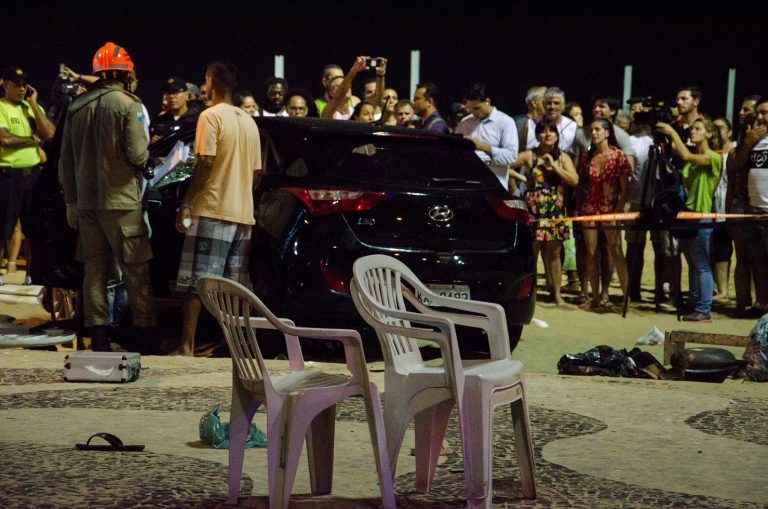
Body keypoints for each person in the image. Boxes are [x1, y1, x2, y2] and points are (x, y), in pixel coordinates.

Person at [58, 42, 155, 351]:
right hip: (122, 202)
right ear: (123, 73)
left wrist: (71, 201)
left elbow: (65, 161)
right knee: (136, 270)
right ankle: (143, 334)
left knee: (94, 272)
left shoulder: (77, 107)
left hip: (86, 204)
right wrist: (149, 160)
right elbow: (137, 154)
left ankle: (98, 337)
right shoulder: (130, 105)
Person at [173, 61, 261, 356]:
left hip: (212, 209)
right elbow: (257, 173)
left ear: (212, 81)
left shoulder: (210, 116)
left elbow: (205, 163)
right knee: (232, 287)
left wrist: (187, 203)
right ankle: (234, 347)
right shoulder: (249, 121)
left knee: (196, 281)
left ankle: (186, 345)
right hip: (243, 215)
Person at [656, 118, 722, 322]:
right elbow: (681, 158)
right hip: (687, 214)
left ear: (709, 134)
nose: (693, 132)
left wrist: (672, 133)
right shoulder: (693, 159)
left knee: (701, 264)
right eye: (692, 129)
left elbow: (685, 155)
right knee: (693, 263)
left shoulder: (713, 157)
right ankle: (694, 302)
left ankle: (704, 308)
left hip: (701, 215)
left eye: (698, 129)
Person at [509, 120, 578, 304]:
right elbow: (506, 166)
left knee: (554, 253)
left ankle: (556, 294)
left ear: (557, 135)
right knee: (532, 253)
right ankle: (528, 293)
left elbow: (574, 180)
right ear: (537, 135)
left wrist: (555, 166)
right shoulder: (529, 155)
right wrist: (520, 180)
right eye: (543, 131)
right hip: (534, 210)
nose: (547, 134)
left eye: (551, 131)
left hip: (555, 210)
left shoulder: (562, 157)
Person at [0, 67, 56, 286]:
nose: (22, 89)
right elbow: (5, 140)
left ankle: (32, 275)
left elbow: (50, 134)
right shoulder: (1, 107)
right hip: (8, 177)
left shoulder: (32, 107)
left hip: (32, 177)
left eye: (25, 84)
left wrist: (33, 104)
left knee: (34, 229)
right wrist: (32, 139)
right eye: (17, 84)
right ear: (5, 84)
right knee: (4, 228)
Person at [577, 118, 632, 311]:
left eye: (597, 129)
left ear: (607, 133)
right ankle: (595, 297)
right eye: (592, 130)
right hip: (591, 208)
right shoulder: (587, 156)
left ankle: (626, 298)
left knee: (616, 251)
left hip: (611, 208)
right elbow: (582, 184)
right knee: (591, 252)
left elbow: (625, 188)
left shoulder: (618, 156)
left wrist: (618, 210)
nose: (593, 133)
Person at [454, 82, 518, 191]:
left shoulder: (506, 122)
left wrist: (481, 146)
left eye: (476, 108)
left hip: (494, 188)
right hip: (469, 187)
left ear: (487, 101)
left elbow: (511, 157)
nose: (472, 112)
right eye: (470, 108)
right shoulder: (464, 123)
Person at [150, 77, 201, 143]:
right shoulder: (159, 121)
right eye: (169, 93)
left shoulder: (196, 120)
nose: (172, 96)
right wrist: (154, 142)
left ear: (186, 95)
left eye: (176, 92)